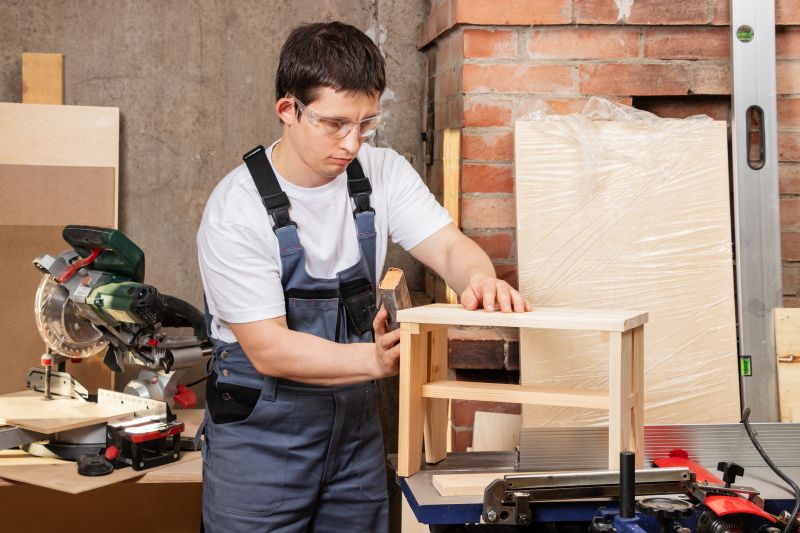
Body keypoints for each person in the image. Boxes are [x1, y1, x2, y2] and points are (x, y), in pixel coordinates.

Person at [196, 21, 531, 533]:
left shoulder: (383, 173)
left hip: (354, 433)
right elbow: (267, 347)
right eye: (334, 124)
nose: (352, 143)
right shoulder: (236, 210)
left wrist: (478, 278)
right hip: (260, 439)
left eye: (366, 123)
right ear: (288, 110)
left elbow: (446, 245)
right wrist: (373, 358)